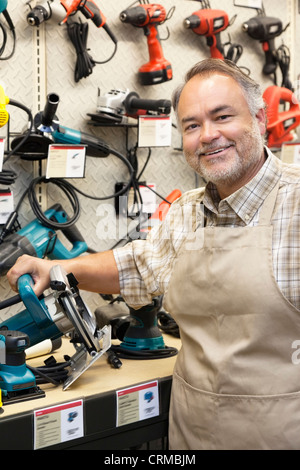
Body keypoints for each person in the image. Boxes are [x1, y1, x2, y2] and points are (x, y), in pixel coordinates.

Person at [7, 59, 300, 450]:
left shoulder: (295, 205)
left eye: (222, 116)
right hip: (191, 431)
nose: (208, 136)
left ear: (260, 118)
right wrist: (57, 266)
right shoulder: (188, 211)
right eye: (192, 126)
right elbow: (137, 267)